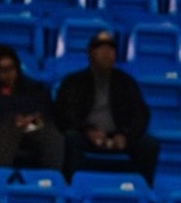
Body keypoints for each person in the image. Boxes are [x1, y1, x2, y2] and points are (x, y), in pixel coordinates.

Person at [55, 29, 158, 179]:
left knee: (149, 144)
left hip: (119, 136)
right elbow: (64, 114)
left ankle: (142, 192)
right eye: (101, 49)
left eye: (111, 49)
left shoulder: (126, 82)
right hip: (86, 135)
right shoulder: (73, 82)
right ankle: (71, 187)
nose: (107, 53)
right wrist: (87, 131)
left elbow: (141, 114)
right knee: (71, 139)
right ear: (90, 53)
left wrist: (125, 135)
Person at [0, 46, 64, 171]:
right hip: (2, 128)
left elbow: (47, 112)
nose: (8, 74)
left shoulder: (34, 88)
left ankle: (50, 181)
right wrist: (13, 120)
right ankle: (0, 181)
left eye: (11, 68)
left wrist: (31, 119)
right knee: (6, 132)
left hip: (32, 126)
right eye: (1, 69)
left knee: (52, 135)